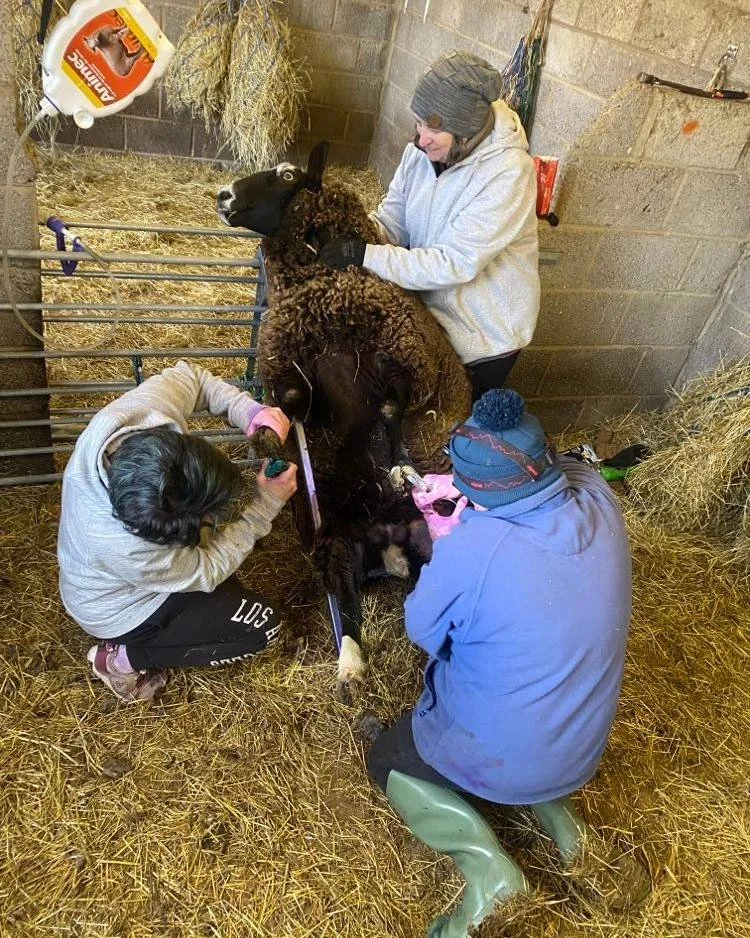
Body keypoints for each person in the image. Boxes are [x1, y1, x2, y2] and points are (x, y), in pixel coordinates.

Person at [367, 389, 650, 938]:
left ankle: (489, 872)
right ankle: (572, 838)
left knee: (389, 760)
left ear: (470, 489)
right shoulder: (598, 497)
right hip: (581, 748)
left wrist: (456, 537)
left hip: (506, 755)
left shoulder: (471, 549)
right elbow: (571, 467)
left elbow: (423, 633)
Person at [57, 360, 298, 703]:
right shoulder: (127, 547)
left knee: (231, 586)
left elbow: (193, 377)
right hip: (120, 608)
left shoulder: (140, 416)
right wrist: (265, 505)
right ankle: (122, 660)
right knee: (263, 628)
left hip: (109, 571)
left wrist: (252, 412)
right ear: (164, 535)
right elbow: (208, 569)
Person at [319, 50, 540, 401]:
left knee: (447, 430)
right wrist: (356, 236)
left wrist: (366, 255)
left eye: (435, 128)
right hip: (430, 316)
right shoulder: (421, 151)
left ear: (466, 130)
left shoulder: (509, 173)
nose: (422, 138)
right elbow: (393, 217)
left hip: (482, 337)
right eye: (419, 122)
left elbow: (453, 262)